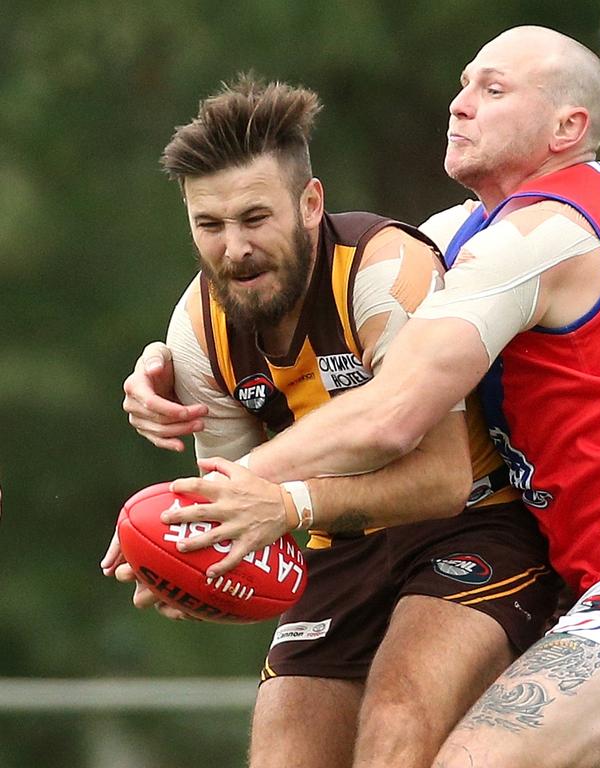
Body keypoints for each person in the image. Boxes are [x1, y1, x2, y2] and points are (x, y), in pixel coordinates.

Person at [157, 27, 600, 768]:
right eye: (462, 85)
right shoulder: (473, 233)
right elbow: (336, 287)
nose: (459, 106)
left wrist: (228, 494)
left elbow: (393, 413)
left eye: (492, 90)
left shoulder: (544, 234)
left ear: (567, 128)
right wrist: (165, 361)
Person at [106, 76, 563, 768]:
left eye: (255, 219)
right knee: (284, 748)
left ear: (310, 203)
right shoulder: (196, 331)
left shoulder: (383, 273)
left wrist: (288, 504)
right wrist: (183, 563)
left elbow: (440, 480)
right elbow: (242, 505)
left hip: (473, 522)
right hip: (338, 544)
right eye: (210, 225)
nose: (235, 249)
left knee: (397, 713)